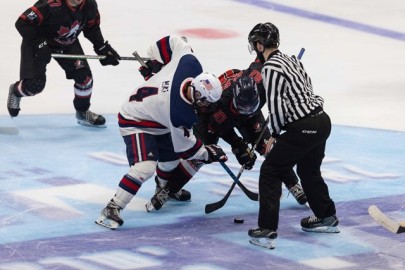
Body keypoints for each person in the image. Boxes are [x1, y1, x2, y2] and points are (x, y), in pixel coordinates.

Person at [95, 35, 228, 229]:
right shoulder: (179, 112)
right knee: (146, 166)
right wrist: (208, 153)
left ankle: (164, 188)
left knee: (171, 159)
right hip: (135, 120)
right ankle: (112, 208)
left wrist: (155, 60)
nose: (208, 107)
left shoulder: (190, 64)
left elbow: (175, 41)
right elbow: (186, 148)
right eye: (207, 102)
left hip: (156, 116)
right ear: (198, 94)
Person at [247, 22, 339, 249]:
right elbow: (306, 88)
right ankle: (326, 217)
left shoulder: (269, 68)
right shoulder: (292, 60)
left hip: (304, 127)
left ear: (259, 45)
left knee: (271, 170)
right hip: (322, 120)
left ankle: (266, 230)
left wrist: (274, 135)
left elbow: (276, 107)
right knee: (308, 170)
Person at [193, 63, 307, 206]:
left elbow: (265, 61)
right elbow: (222, 129)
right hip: (228, 116)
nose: (247, 110)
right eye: (243, 108)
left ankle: (293, 183)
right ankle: (169, 185)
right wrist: (238, 146)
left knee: (269, 148)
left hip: (252, 115)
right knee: (198, 150)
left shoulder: (261, 81)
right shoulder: (219, 107)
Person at [7, 0, 121, 127]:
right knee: (34, 86)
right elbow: (23, 22)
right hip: (38, 43)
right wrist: (39, 43)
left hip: (67, 42)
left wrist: (101, 47)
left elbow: (92, 27)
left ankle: (82, 112)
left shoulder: (90, 5)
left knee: (85, 79)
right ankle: (16, 91)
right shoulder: (49, 4)